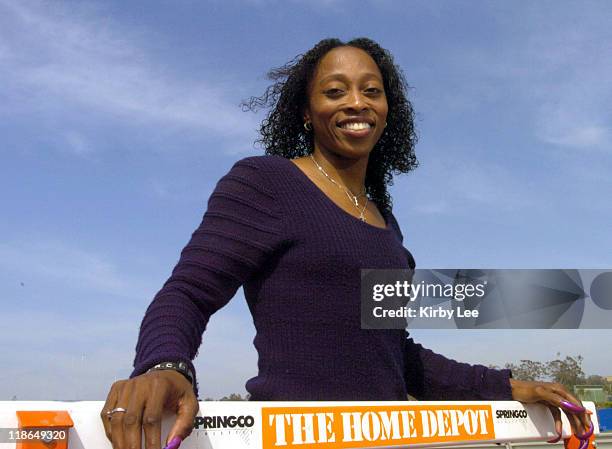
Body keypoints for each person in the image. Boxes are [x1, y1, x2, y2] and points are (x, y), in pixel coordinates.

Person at [101, 38, 593, 449]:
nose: (356, 103)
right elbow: (190, 291)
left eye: (371, 91)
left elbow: (393, 351)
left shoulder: (386, 223)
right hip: (296, 436)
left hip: (387, 437)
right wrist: (165, 365)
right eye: (335, 91)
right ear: (306, 111)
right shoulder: (266, 182)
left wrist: (504, 386)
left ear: (386, 110)